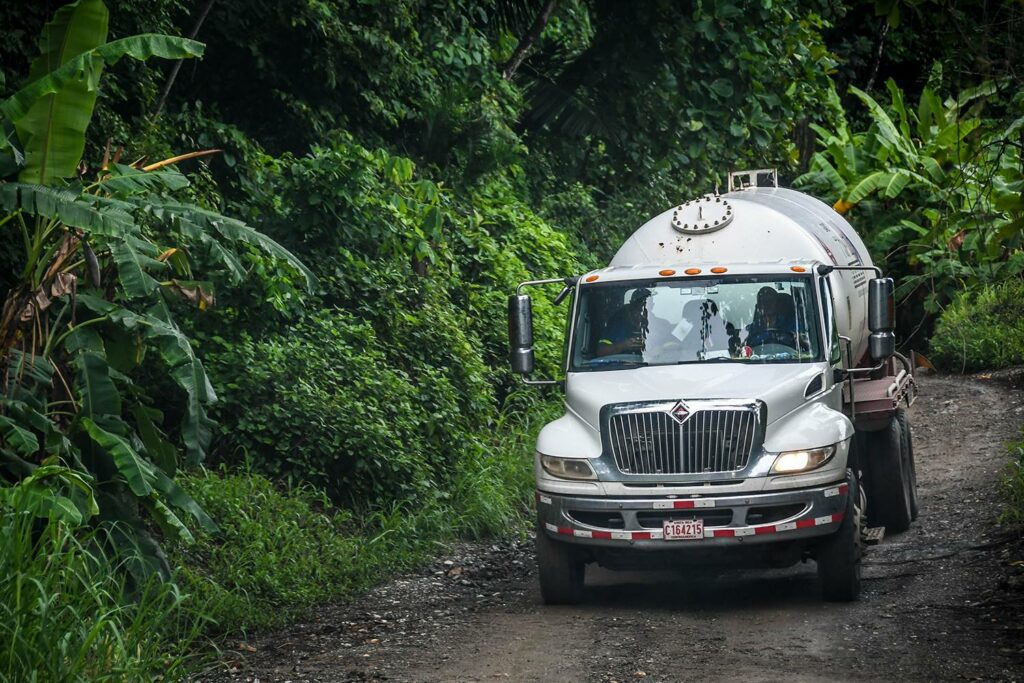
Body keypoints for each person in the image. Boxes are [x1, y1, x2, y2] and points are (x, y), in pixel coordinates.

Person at [596, 288, 650, 356]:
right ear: (631, 304)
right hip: (620, 365)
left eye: (645, 305)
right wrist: (624, 345)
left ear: (652, 305)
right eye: (637, 304)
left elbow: (667, 347)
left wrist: (659, 349)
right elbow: (601, 351)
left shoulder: (662, 325)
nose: (642, 309)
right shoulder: (616, 325)